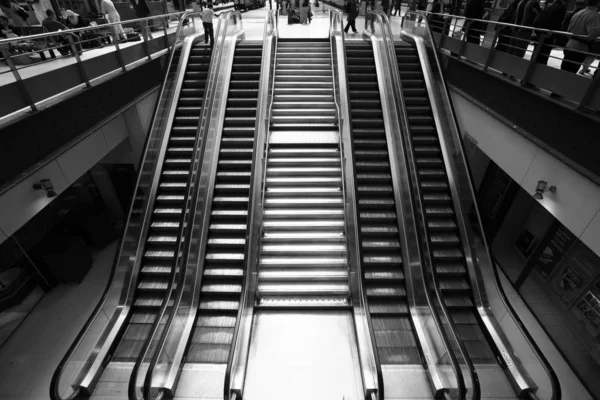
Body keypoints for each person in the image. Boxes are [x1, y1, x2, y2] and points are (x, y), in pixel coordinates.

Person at [560, 0, 600, 73]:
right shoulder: (594, 15)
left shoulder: (578, 13)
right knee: (572, 72)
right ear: (598, 3)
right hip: (580, 47)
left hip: (569, 44)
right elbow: (592, 33)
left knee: (564, 69)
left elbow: (569, 30)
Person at [532, 0, 566, 65]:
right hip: (548, 36)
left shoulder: (549, 7)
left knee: (536, 55)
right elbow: (557, 23)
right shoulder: (561, 8)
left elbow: (538, 20)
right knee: (543, 57)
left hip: (540, 34)